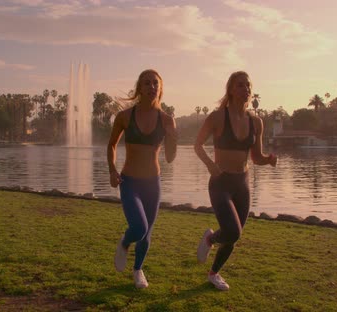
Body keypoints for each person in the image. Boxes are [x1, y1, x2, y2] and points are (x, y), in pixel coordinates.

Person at [194, 71, 277, 291]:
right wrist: (210, 165)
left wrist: (268, 160)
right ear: (230, 89)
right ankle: (211, 239)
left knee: (233, 236)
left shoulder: (256, 122)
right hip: (221, 182)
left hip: (242, 184)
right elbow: (198, 145)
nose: (246, 89)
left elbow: (256, 157)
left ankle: (214, 273)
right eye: (240, 85)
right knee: (233, 231)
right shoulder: (217, 117)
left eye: (248, 85)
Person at [107, 69, 177, 289]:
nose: (151, 87)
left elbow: (171, 157)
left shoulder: (166, 120)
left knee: (147, 232)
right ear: (139, 88)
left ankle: (138, 270)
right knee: (138, 227)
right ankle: (125, 242)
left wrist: (172, 136)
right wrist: (112, 170)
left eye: (155, 83)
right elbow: (111, 145)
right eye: (146, 83)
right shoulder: (125, 116)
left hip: (152, 184)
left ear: (161, 88)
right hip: (130, 182)